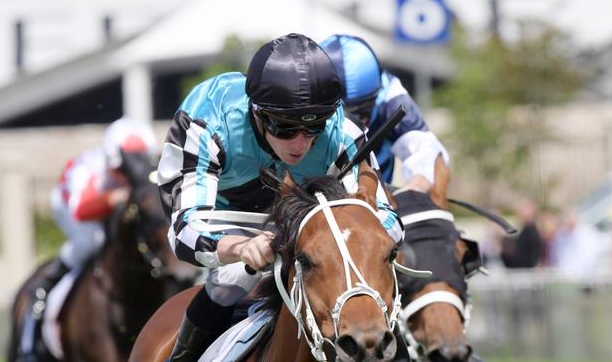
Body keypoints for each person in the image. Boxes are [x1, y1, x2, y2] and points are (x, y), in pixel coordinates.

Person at [157, 33, 404, 361]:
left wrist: (349, 242)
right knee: (230, 281)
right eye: (284, 128)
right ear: (256, 112)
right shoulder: (206, 121)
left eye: (314, 127)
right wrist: (241, 247)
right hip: (225, 214)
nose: (300, 144)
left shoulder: (343, 133)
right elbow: (185, 231)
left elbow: (388, 222)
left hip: (313, 220)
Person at [320, 34, 450, 207]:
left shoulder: (391, 96)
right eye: (339, 113)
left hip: (378, 203)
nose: (353, 124)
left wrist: (413, 189)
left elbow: (428, 153)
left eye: (361, 112)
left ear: (378, 92)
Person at [40, 117, 158, 304]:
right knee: (92, 239)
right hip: (69, 207)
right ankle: (49, 279)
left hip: (105, 206)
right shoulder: (89, 169)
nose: (127, 176)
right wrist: (112, 198)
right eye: (121, 170)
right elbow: (80, 210)